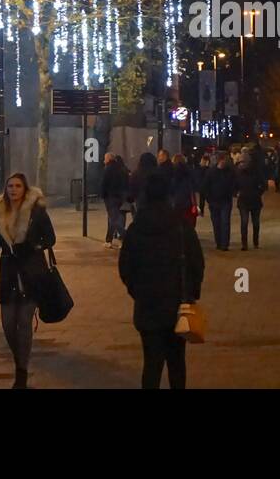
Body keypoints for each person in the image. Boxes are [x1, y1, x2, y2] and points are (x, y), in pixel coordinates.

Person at [118, 174, 205, 389]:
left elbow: (125, 267)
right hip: (177, 304)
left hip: (147, 306)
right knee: (177, 363)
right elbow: (197, 263)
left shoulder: (136, 229)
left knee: (151, 364)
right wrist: (191, 293)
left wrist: (136, 291)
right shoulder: (181, 226)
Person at [0, 173, 56, 388]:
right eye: (10, 186)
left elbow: (50, 237)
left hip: (31, 271)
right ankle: (19, 359)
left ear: (25, 188)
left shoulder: (36, 211)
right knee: (8, 324)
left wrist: (34, 246)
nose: (13, 190)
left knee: (24, 322)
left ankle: (22, 371)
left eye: (18, 186)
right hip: (8, 272)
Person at [204, 155, 237, 250]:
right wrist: (208, 198)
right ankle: (218, 242)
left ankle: (224, 244)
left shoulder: (229, 172)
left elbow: (234, 183)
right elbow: (206, 186)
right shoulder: (211, 172)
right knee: (216, 223)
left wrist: (232, 192)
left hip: (225, 200)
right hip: (214, 201)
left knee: (225, 222)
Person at [235, 156, 267, 251]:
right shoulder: (239, 174)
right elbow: (235, 185)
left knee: (254, 223)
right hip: (245, 201)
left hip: (254, 200)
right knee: (245, 223)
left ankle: (254, 242)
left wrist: (258, 192)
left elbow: (264, 185)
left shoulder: (256, 173)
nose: (241, 164)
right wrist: (236, 193)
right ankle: (245, 243)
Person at [101, 153, 129, 249]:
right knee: (113, 219)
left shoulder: (108, 169)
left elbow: (104, 184)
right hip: (120, 197)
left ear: (108, 159)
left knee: (113, 220)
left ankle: (125, 237)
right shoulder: (121, 169)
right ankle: (108, 240)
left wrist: (103, 195)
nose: (104, 160)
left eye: (105, 159)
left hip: (110, 197)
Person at [170, 154, 199, 227]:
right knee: (188, 224)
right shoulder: (189, 172)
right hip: (187, 203)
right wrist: (194, 204)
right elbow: (192, 189)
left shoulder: (172, 172)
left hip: (175, 203)